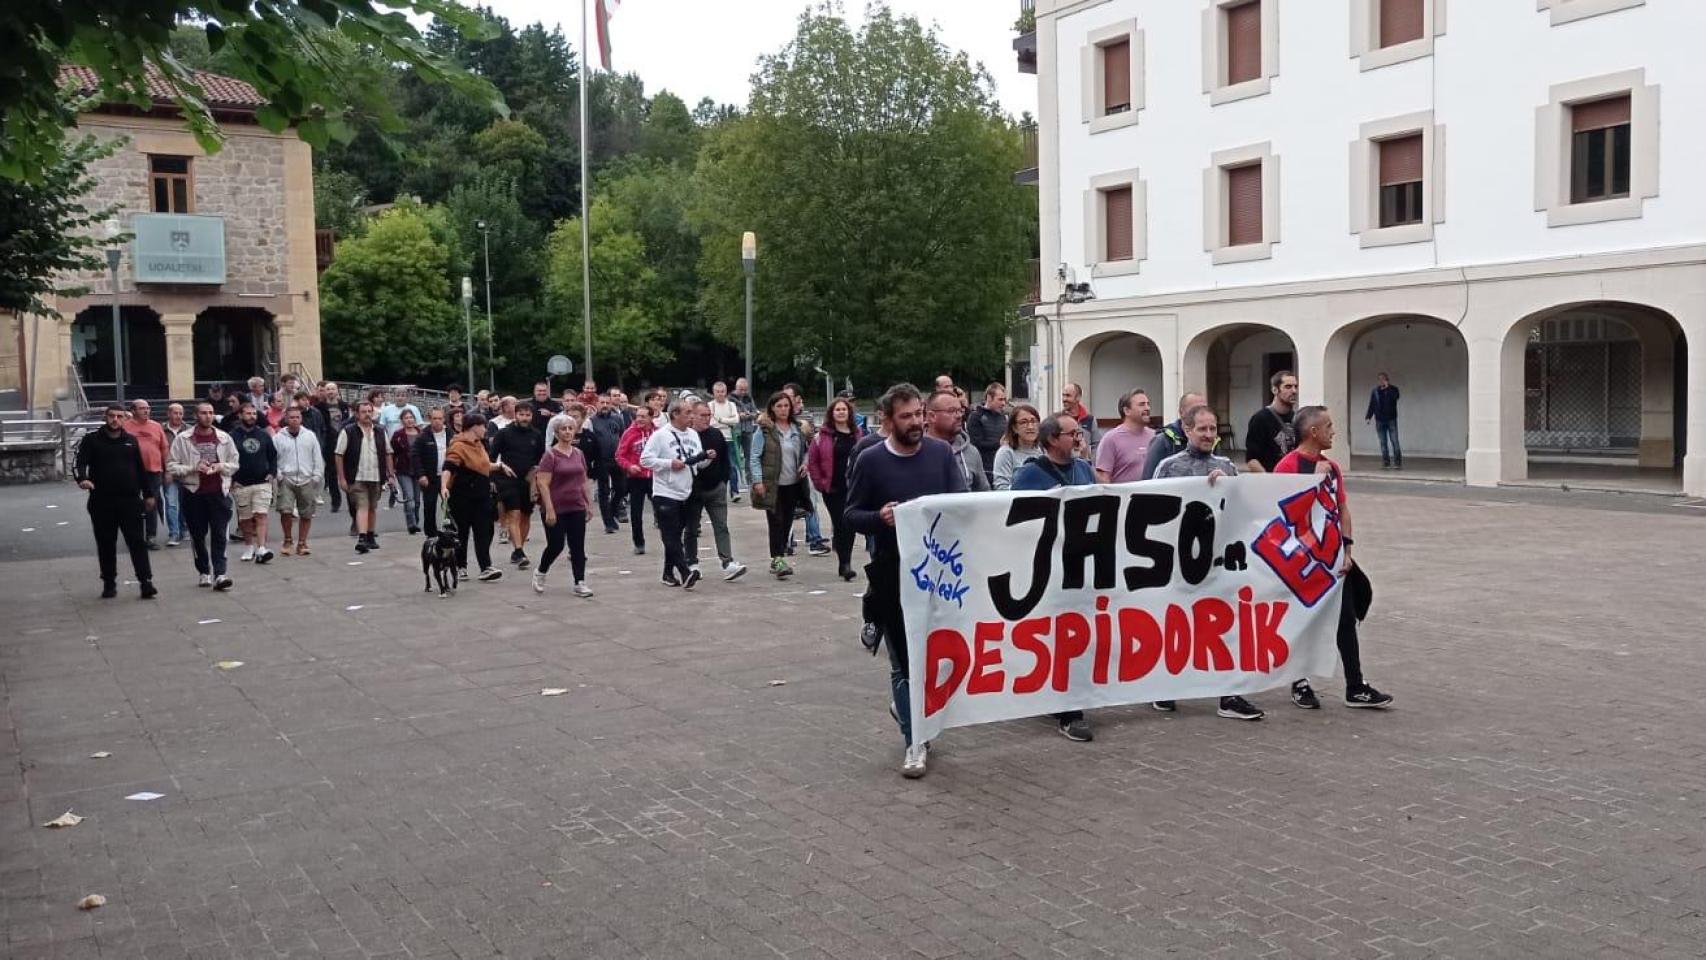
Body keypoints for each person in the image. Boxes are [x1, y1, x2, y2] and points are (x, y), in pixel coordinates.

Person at [845, 383, 968, 778]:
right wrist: (878, 517)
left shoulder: (941, 453)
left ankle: (919, 714)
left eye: (919, 414)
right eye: (906, 417)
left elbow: (962, 503)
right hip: (891, 573)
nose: (916, 423)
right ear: (887, 420)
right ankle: (915, 741)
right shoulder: (870, 460)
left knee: (934, 656)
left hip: (941, 574)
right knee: (903, 661)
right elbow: (850, 514)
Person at [1147, 405, 1265, 721]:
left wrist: (1228, 485)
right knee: (1175, 625)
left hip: (1219, 562)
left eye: (1213, 429)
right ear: (1187, 430)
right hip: (1178, 564)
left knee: (1226, 627)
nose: (1209, 435)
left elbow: (1244, 509)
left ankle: (1229, 694)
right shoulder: (1169, 466)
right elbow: (1152, 510)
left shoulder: (1226, 465)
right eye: (1202, 429)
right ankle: (1164, 687)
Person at [1276, 406, 1394, 710]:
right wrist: (1312, 481)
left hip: (1332, 558)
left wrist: (1347, 549)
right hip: (1301, 561)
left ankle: (1356, 685)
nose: (1333, 431)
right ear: (1313, 432)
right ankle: (1299, 681)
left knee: (1346, 618)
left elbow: (1341, 508)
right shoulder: (1288, 467)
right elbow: (1282, 514)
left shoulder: (1333, 467)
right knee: (1303, 620)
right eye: (1328, 426)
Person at [1007, 412, 1107, 742]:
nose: (1079, 439)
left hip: (1082, 566)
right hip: (1048, 569)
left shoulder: (1082, 469)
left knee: (1080, 634)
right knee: (1058, 635)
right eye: (1072, 434)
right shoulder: (1029, 476)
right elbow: (1014, 519)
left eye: (1079, 433)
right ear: (1052, 440)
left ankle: (1068, 696)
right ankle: (1068, 709)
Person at [75, 405, 158, 599]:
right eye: (112, 416)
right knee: (106, 544)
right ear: (105, 418)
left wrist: (148, 494)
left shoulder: (130, 440)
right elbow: (79, 463)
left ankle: (146, 582)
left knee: (137, 542)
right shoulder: (92, 440)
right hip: (101, 502)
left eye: (119, 416)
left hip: (130, 501)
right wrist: (82, 479)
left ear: (124, 419)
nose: (115, 420)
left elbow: (140, 469)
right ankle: (109, 582)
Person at [167, 401, 238, 590]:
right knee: (198, 535)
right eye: (203, 413)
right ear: (195, 416)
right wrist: (193, 468)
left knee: (219, 534)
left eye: (211, 413)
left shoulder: (224, 437)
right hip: (193, 492)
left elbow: (234, 463)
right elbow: (172, 466)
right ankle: (204, 571)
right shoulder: (183, 438)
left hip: (218, 492)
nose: (208, 416)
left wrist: (221, 466)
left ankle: (220, 573)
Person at [640, 397, 708, 589]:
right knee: (670, 535)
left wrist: (706, 458)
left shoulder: (694, 435)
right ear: (675, 415)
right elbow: (645, 460)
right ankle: (685, 571)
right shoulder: (660, 435)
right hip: (665, 491)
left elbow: (696, 461)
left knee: (676, 534)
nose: (691, 417)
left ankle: (668, 573)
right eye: (687, 413)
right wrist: (669, 464)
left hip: (686, 490)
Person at [531, 413, 594, 597]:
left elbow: (583, 480)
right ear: (556, 433)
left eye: (570, 428)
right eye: (563, 429)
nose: (567, 432)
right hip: (556, 506)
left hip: (575, 505)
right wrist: (549, 509)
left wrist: (588, 504)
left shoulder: (579, 453)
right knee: (556, 544)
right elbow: (543, 483)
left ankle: (579, 582)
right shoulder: (550, 455)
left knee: (578, 546)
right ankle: (541, 571)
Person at [749, 390, 810, 579]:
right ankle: (777, 558)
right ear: (772, 409)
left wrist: (805, 463)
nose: (783, 409)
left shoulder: (797, 429)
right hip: (772, 483)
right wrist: (757, 480)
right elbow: (754, 457)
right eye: (779, 406)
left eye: (786, 406)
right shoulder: (764, 430)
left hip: (793, 483)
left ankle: (780, 554)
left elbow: (806, 451)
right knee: (775, 521)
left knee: (787, 522)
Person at [686, 399, 747, 581]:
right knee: (691, 528)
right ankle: (691, 562)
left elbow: (726, 461)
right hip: (693, 490)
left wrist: (724, 481)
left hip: (716, 488)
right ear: (693, 416)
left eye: (708, 415)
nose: (706, 419)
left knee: (721, 526)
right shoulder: (687, 436)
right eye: (702, 415)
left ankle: (728, 562)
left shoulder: (716, 435)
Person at [807, 396, 864, 581]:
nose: (841, 412)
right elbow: (813, 461)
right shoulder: (822, 436)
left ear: (849, 412)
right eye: (837, 410)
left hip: (854, 486)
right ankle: (844, 563)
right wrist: (820, 483)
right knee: (840, 523)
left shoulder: (858, 434)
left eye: (844, 409)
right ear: (832, 413)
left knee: (852, 523)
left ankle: (846, 561)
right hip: (833, 488)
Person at [442, 413, 502, 581]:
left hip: (481, 495)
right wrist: (443, 486)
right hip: (462, 496)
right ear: (474, 427)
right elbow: (449, 467)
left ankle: (485, 567)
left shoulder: (479, 444)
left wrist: (499, 466)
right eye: (483, 426)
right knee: (462, 533)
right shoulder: (458, 446)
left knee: (484, 531)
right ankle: (461, 566)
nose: (485, 430)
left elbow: (482, 465)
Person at [489, 402, 544, 568]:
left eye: (528, 415)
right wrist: (492, 478)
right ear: (515, 415)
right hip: (507, 479)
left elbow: (541, 459)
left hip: (528, 480)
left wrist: (536, 475)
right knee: (514, 513)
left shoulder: (537, 435)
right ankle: (519, 550)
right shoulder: (504, 433)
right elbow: (491, 457)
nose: (524, 418)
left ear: (531, 416)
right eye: (521, 414)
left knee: (526, 515)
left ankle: (519, 550)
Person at [335, 400, 391, 554]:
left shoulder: (380, 431)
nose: (367, 414)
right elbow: (339, 455)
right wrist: (342, 478)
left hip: (376, 475)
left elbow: (388, 453)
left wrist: (391, 474)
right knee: (362, 506)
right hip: (357, 476)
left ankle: (371, 535)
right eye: (364, 412)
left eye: (369, 411)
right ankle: (362, 537)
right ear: (357, 414)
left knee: (373, 506)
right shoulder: (348, 431)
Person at [615, 388, 665, 555]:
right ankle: (639, 542)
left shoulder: (658, 433)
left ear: (651, 418)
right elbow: (619, 455)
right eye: (637, 416)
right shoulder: (630, 433)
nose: (639, 420)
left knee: (662, 509)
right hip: (636, 478)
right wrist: (629, 466)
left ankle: (669, 538)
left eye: (643, 417)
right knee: (636, 513)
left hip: (654, 477)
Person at [228, 401, 278, 564]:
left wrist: (272, 473)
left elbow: (272, 456)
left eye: (254, 414)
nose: (252, 417)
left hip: (262, 482)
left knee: (261, 514)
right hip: (241, 484)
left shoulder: (263, 435)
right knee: (245, 518)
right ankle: (249, 546)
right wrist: (232, 480)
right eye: (248, 414)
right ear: (240, 415)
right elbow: (226, 458)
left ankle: (261, 547)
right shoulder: (232, 436)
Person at [273, 405, 325, 556]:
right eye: (291, 417)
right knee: (285, 511)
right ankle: (288, 539)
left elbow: (317, 456)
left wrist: (316, 476)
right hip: (287, 478)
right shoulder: (277, 438)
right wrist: (278, 474)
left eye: (297, 417)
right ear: (286, 419)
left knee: (306, 513)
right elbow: (273, 459)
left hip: (306, 478)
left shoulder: (310, 436)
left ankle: (302, 542)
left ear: (301, 419)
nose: (294, 420)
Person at [122, 399, 170, 549]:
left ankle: (151, 537)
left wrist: (167, 470)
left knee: (151, 503)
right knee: (132, 504)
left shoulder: (156, 426)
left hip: (154, 471)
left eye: (148, 408)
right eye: (142, 408)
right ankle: (134, 536)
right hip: (131, 471)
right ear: (133, 411)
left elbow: (164, 448)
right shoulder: (125, 426)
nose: (146, 411)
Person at [926, 388, 991, 492]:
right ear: (931, 416)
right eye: (952, 411)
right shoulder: (916, 451)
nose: (959, 416)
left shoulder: (971, 452)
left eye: (960, 410)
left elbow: (984, 495)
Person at [1141, 392, 1208, 481]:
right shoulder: (1163, 442)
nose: (1200, 415)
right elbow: (1148, 482)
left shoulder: (1210, 440)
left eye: (1204, 410)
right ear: (1181, 412)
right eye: (1194, 410)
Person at [1093, 389, 1155, 484]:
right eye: (1142, 404)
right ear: (1127, 411)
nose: (1147, 408)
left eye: (1148, 404)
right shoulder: (1111, 439)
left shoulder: (1155, 437)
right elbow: (1103, 480)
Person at [588, 393, 627, 534]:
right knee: (604, 492)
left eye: (607, 403)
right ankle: (608, 522)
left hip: (617, 459)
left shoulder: (617, 418)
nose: (604, 405)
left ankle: (613, 509)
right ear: (597, 404)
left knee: (622, 488)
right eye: (602, 402)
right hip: (600, 460)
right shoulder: (591, 421)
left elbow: (622, 436)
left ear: (611, 404)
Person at [1245, 370, 1298, 473]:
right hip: (1271, 480)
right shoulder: (1260, 419)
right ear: (1274, 390)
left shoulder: (1297, 418)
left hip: (1293, 481)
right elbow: (1252, 459)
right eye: (1288, 387)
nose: (1294, 391)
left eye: (1295, 386)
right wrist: (1269, 480)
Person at [413, 407, 451, 537]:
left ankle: (451, 528)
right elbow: (415, 456)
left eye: (440, 418)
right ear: (430, 419)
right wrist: (421, 475)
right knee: (430, 505)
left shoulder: (451, 434)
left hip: (448, 475)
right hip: (430, 477)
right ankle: (430, 532)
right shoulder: (423, 436)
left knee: (449, 503)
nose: (437, 421)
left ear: (444, 419)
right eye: (434, 419)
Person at [314, 381, 350, 514]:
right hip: (329, 442)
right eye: (327, 389)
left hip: (344, 439)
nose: (330, 392)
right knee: (332, 472)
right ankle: (336, 501)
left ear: (337, 391)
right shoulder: (319, 407)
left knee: (348, 469)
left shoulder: (344, 406)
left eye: (333, 389)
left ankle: (351, 497)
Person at [992, 403, 1044, 491]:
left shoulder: (1042, 451)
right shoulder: (1006, 453)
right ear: (1014, 428)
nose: (1030, 427)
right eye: (1024, 422)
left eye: (1033, 421)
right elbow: (1001, 488)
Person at [964, 383, 1008, 483]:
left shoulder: (1005, 417)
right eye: (1000, 399)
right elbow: (975, 444)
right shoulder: (976, 417)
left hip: (1002, 469)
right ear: (989, 398)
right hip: (984, 470)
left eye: (1004, 400)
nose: (1003, 403)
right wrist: (1000, 444)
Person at [160, 402, 189, 546]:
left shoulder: (189, 430)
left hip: (186, 472)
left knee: (185, 503)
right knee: (171, 503)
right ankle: (173, 533)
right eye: (175, 413)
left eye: (181, 413)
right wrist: (166, 471)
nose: (178, 416)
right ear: (168, 414)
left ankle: (184, 529)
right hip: (169, 472)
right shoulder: (161, 430)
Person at [389, 409, 423, 535]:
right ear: (402, 421)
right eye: (406, 418)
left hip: (419, 470)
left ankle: (416, 521)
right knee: (410, 499)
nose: (409, 420)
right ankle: (411, 524)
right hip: (404, 470)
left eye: (411, 417)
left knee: (418, 500)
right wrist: (391, 470)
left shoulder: (421, 433)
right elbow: (391, 453)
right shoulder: (398, 435)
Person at [709, 381, 743, 502]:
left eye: (722, 391)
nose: (720, 394)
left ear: (726, 392)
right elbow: (710, 422)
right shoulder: (709, 405)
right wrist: (726, 421)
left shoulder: (731, 405)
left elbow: (736, 420)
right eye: (717, 392)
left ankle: (734, 491)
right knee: (714, 465)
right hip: (714, 439)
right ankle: (716, 491)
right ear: (713, 393)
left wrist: (720, 419)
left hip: (729, 439)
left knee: (732, 465)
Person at [1365, 372, 1402, 469]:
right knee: (1383, 442)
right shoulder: (1375, 391)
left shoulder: (1393, 389)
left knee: (1394, 441)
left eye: (1383, 379)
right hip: (1380, 420)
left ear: (1387, 380)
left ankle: (1397, 462)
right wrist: (1368, 417)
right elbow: (1372, 404)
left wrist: (1388, 388)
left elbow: (1395, 398)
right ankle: (1386, 462)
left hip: (1391, 420)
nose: (1381, 381)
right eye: (1380, 379)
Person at [1061, 382, 1103, 458]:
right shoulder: (1059, 419)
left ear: (1078, 398)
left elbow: (1097, 445)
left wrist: (1092, 464)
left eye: (1068, 396)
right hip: (1064, 466)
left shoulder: (1090, 420)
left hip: (1084, 466)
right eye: (1063, 395)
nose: (1064, 399)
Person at [731, 377, 758, 492]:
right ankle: (737, 482)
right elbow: (733, 415)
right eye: (740, 389)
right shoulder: (730, 399)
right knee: (735, 457)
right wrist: (742, 415)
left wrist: (746, 415)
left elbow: (754, 412)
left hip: (748, 430)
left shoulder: (748, 398)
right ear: (736, 388)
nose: (743, 392)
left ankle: (749, 480)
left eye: (745, 390)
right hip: (736, 430)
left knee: (749, 456)